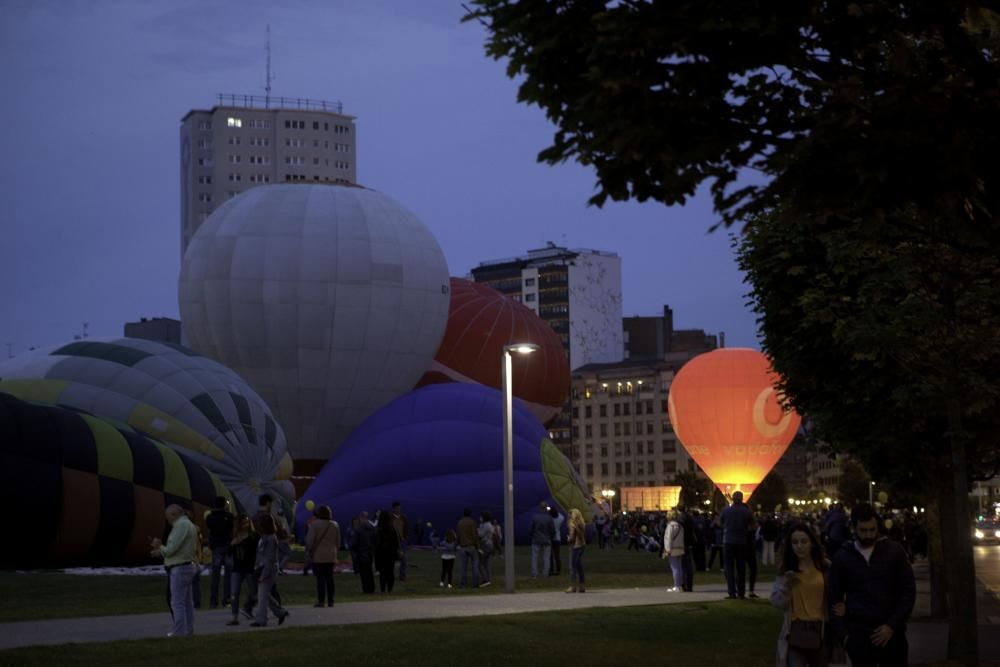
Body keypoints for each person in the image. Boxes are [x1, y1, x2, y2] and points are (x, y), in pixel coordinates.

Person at [828, 504, 915, 667]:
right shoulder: (842, 557)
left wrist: (892, 625)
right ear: (854, 528)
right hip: (859, 636)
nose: (868, 535)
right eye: (863, 530)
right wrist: (845, 637)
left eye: (872, 530)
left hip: (892, 635)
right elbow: (833, 598)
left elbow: (908, 591)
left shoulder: (894, 552)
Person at [769, 523, 830, 667]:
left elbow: (836, 594)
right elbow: (776, 602)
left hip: (820, 630)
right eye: (795, 542)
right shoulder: (787, 569)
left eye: (804, 541)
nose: (799, 546)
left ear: (812, 544)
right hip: (796, 630)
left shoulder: (824, 566)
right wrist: (786, 587)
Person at [150, 504, 199, 638]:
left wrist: (160, 546)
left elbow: (172, 550)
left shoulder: (181, 525)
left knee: (177, 602)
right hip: (186, 566)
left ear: (174, 514)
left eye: (168, 517)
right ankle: (188, 630)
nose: (167, 521)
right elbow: (177, 549)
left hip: (179, 568)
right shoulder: (189, 525)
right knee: (187, 602)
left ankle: (179, 632)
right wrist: (161, 550)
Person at [250, 514, 289, 627]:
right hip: (262, 568)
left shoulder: (271, 539)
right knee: (264, 594)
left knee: (262, 596)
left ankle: (261, 620)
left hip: (269, 569)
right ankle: (280, 612)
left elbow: (269, 558)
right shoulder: (263, 537)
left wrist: (264, 574)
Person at [720, 490, 754, 599]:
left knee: (729, 568)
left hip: (728, 541)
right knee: (741, 568)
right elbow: (752, 525)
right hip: (741, 541)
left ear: (733, 499)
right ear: (742, 499)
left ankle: (731, 592)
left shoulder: (726, 510)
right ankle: (741, 592)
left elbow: (720, 522)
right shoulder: (746, 511)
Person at [305, 505, 340, 607]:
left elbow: (310, 541)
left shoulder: (314, 525)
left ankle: (321, 601)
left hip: (318, 556)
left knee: (320, 580)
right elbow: (338, 542)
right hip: (331, 555)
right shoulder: (335, 525)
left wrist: (309, 550)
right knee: (330, 579)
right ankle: (331, 600)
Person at [227, 513, 258, 625]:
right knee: (234, 594)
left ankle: (248, 608)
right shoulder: (235, 536)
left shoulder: (253, 536)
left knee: (254, 593)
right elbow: (229, 552)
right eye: (243, 522)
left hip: (250, 568)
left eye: (247, 522)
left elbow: (257, 551)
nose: (246, 524)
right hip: (237, 568)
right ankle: (235, 617)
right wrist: (232, 544)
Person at [205, 496, 234, 608]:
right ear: (224, 504)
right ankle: (226, 599)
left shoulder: (210, 517)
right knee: (228, 574)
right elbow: (231, 528)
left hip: (216, 547)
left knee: (215, 575)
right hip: (227, 546)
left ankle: (213, 600)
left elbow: (209, 529)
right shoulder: (229, 516)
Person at [374, 509, 400, 593]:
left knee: (382, 572)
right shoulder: (392, 529)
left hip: (381, 554)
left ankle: (383, 590)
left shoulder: (378, 529)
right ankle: (390, 589)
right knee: (390, 572)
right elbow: (397, 542)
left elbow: (377, 544)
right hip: (391, 554)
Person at [350, 511, 377, 594]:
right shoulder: (372, 528)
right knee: (369, 571)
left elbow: (354, 543)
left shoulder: (358, 529)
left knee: (363, 573)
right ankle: (371, 589)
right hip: (370, 553)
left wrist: (354, 551)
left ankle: (366, 589)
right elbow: (375, 541)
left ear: (361, 518)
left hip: (361, 554)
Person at [529, 502, 555, 578]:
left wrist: (531, 536)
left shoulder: (535, 517)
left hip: (536, 540)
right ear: (546, 508)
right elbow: (552, 530)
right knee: (546, 558)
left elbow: (531, 529)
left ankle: (534, 574)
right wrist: (551, 537)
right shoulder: (549, 518)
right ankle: (545, 574)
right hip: (547, 540)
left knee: (534, 557)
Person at [456, 508, 480, 588]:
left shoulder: (460, 522)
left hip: (463, 547)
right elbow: (475, 535)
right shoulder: (472, 522)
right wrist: (477, 546)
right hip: (472, 546)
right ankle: (475, 584)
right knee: (475, 566)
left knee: (463, 567)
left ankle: (463, 584)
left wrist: (457, 544)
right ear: (470, 514)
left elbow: (458, 535)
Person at [662, 510, 685, 592]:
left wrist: (667, 550)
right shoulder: (680, 526)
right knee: (679, 568)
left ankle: (677, 585)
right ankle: (680, 585)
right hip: (680, 548)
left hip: (672, 549)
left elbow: (668, 539)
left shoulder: (670, 526)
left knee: (674, 568)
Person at [566, 508, 587, 593]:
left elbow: (572, 537)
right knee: (579, 566)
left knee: (573, 566)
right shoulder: (581, 523)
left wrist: (568, 539)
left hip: (575, 546)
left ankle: (573, 586)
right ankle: (582, 586)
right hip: (582, 545)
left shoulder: (572, 524)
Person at [391, 501, 409, 582]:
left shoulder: (403, 518)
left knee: (404, 558)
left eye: (399, 508)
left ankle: (402, 575)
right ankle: (390, 575)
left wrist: (405, 537)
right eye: (397, 508)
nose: (399, 510)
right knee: (391, 559)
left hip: (402, 541)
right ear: (394, 509)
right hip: (393, 542)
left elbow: (407, 529)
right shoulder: (390, 518)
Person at [477, 510, 496, 587]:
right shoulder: (490, 525)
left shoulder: (486, 525)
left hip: (485, 546)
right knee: (486, 564)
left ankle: (485, 580)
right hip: (490, 545)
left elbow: (480, 535)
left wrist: (476, 530)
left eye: (481, 517)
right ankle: (488, 579)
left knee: (480, 564)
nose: (480, 518)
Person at [549, 507, 564, 576]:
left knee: (550, 556)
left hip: (550, 538)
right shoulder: (560, 518)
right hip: (557, 539)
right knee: (557, 556)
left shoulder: (549, 519)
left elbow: (549, 513)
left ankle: (551, 570)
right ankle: (558, 570)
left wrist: (548, 509)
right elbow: (561, 515)